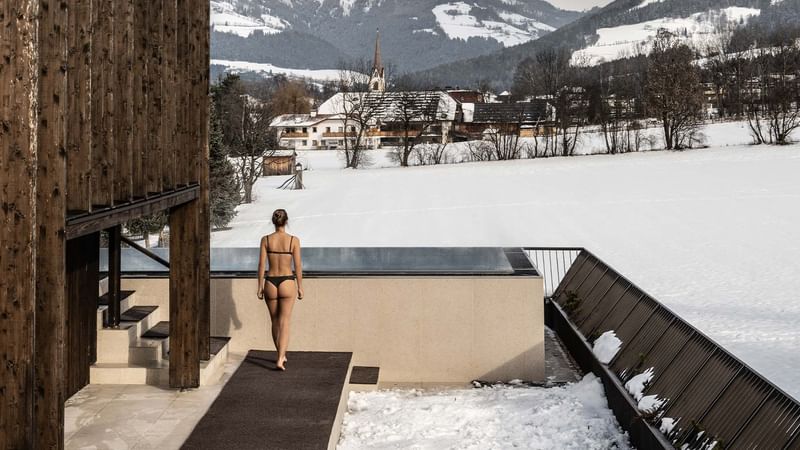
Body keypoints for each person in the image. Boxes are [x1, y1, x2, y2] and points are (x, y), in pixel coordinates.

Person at [257, 209, 304, 371]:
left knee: (275, 321)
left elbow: (261, 265)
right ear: (286, 221)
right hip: (287, 281)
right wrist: (300, 287)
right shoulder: (293, 240)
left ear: (273, 221)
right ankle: (280, 358)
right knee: (285, 321)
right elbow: (297, 266)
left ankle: (280, 354)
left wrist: (259, 286)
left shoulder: (266, 240)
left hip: (270, 282)